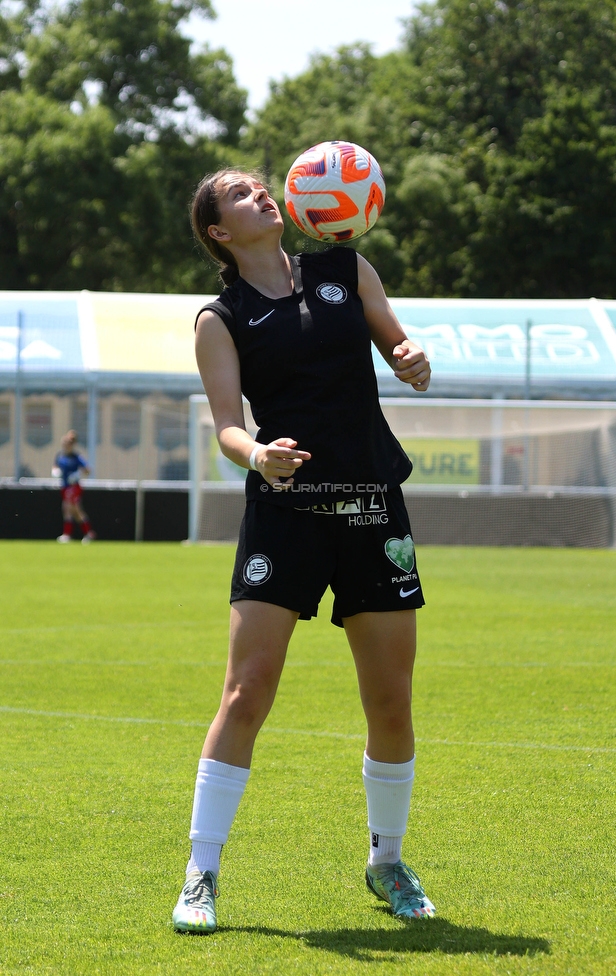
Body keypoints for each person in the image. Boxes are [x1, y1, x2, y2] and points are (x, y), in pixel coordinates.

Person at [172, 169, 434, 934]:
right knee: (245, 693)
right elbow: (226, 425)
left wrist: (412, 358)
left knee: (389, 698)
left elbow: (398, 341)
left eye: (262, 187)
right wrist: (257, 454)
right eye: (242, 195)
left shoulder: (345, 268)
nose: (263, 195)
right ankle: (201, 873)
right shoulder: (221, 318)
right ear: (219, 231)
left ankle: (387, 863)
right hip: (286, 512)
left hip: (371, 505)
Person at [52, 429, 96, 543]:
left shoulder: (76, 457)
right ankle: (88, 533)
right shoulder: (60, 456)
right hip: (65, 487)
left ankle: (67, 535)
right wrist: (55, 472)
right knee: (75, 511)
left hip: (73, 487)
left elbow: (87, 470)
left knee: (68, 508)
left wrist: (77, 474)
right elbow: (55, 466)